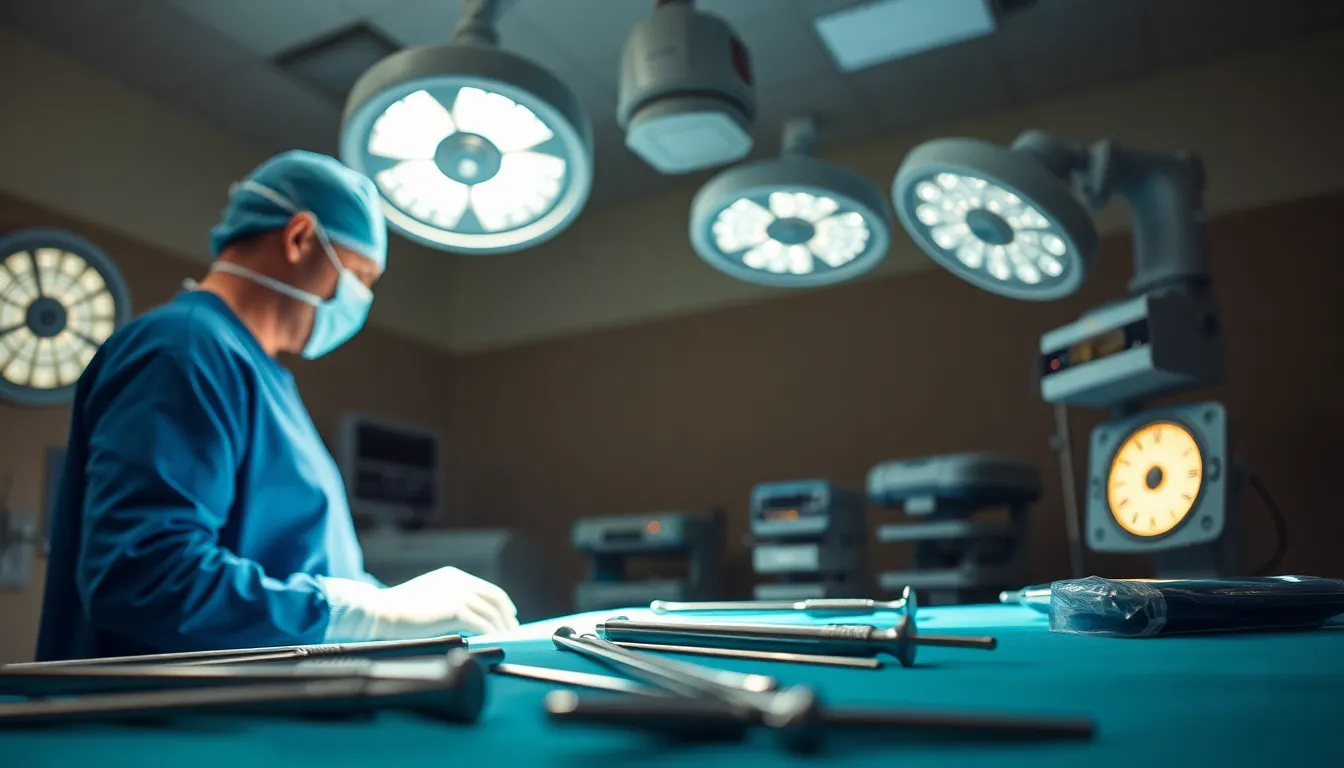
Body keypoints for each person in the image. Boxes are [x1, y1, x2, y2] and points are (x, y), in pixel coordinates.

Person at [35, 151, 518, 661]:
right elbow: (144, 576)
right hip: (164, 726)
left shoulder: (262, 377)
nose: (357, 303)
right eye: (359, 277)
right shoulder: (182, 348)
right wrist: (369, 614)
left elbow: (307, 566)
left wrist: (392, 607)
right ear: (299, 238)